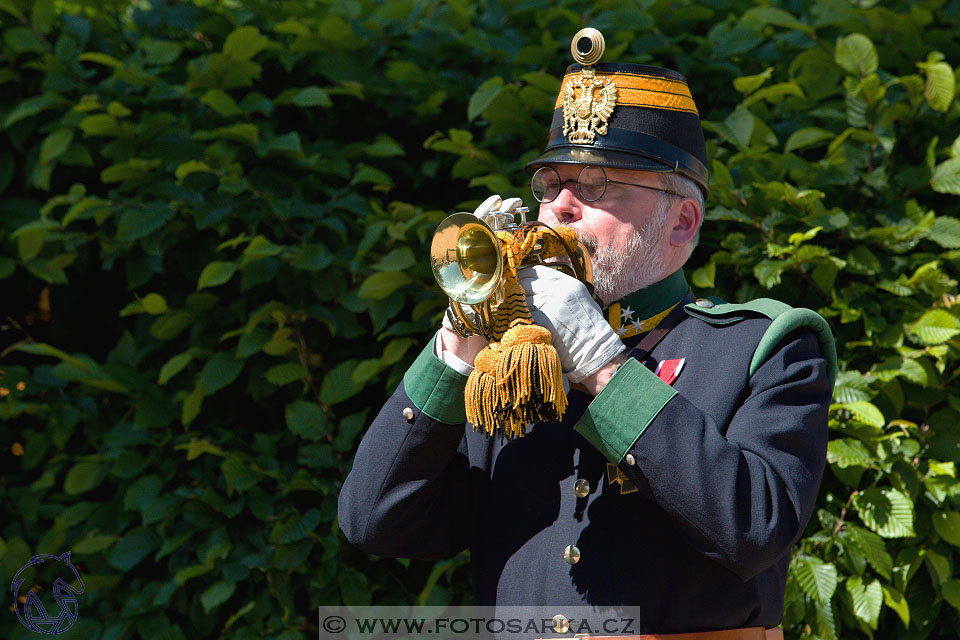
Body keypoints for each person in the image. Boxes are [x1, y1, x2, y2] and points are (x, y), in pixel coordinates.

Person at [338, 27, 836, 639]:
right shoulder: (515, 359)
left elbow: (755, 527)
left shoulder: (765, 346)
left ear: (682, 222)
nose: (559, 207)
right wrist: (454, 351)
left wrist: (603, 367)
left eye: (596, 185)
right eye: (550, 185)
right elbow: (374, 523)